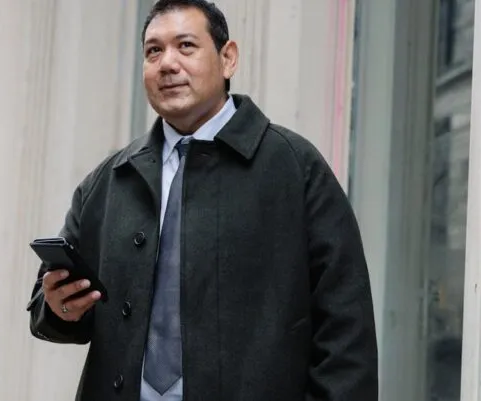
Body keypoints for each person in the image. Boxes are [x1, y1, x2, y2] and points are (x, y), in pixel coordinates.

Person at [26, 0, 378, 400]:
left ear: (228, 59)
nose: (167, 64)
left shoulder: (294, 168)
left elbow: (347, 331)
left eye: (186, 46)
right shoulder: (109, 182)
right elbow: (49, 302)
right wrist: (59, 307)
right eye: (153, 51)